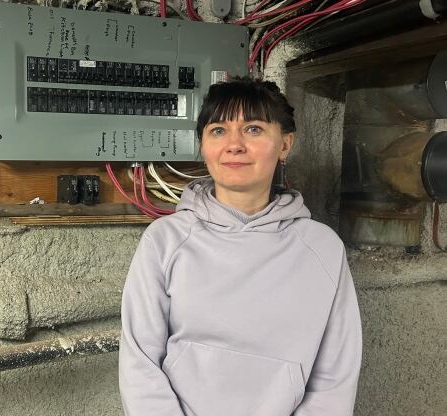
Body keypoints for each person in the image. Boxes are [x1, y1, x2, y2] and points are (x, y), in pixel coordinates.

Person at [118, 77, 362, 416]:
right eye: (218, 130)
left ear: (285, 144)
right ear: (203, 144)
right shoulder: (165, 240)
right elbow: (140, 365)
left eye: (253, 129)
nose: (234, 144)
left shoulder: (322, 249)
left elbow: (334, 380)